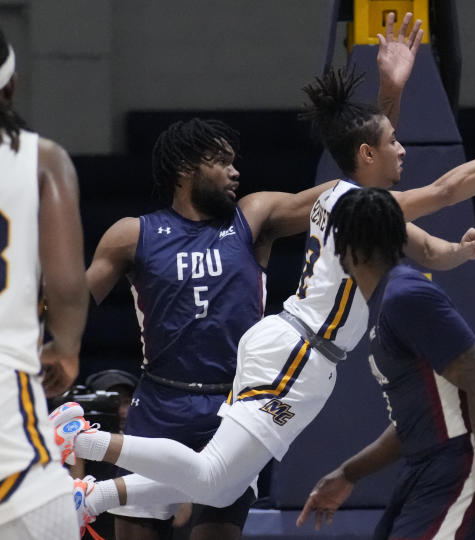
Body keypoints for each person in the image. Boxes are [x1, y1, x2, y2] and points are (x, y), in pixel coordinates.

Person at [51, 41, 475, 531]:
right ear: (368, 155)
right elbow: (445, 188)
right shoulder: (349, 202)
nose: (404, 149)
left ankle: (91, 497)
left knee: (222, 482)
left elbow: (425, 244)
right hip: (297, 353)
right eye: (395, 142)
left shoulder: (356, 206)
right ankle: (79, 438)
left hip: (292, 352)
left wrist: (463, 251)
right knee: (214, 479)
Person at [79, 13, 426, 540]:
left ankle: (87, 462)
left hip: (237, 408)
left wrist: (389, 92)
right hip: (161, 404)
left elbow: (356, 184)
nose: (236, 171)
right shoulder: (132, 234)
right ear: (185, 170)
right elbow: (70, 305)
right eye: (222, 161)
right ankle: (84, 460)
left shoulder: (253, 217)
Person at [296, 187, 475, 539]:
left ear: (345, 250)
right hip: (427, 465)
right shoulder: (391, 300)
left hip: (459, 468)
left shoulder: (406, 296)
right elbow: (419, 420)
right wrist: (349, 472)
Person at [0, 28, 89, 540]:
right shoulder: (42, 160)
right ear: (10, 87)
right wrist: (67, 347)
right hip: (16, 463)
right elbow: (66, 283)